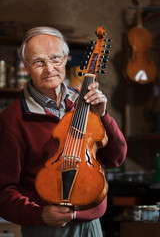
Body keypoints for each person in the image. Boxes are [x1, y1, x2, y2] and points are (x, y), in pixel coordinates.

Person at [0, 26, 127, 237]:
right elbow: (3, 191)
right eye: (39, 62)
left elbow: (116, 158)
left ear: (66, 58)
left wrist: (103, 115)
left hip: (92, 225)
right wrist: (39, 214)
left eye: (55, 58)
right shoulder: (12, 119)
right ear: (26, 66)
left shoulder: (84, 103)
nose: (49, 69)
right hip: (45, 228)